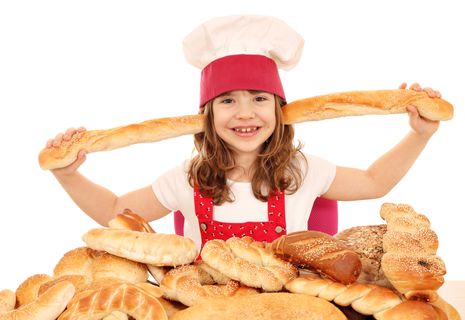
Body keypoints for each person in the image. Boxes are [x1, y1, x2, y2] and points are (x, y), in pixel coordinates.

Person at [45, 15, 441, 250]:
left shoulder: (301, 171)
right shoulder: (187, 177)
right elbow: (117, 212)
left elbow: (374, 182)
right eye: (228, 101)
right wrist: (68, 174)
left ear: (279, 109)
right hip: (204, 317)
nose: (245, 114)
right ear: (208, 114)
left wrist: (419, 134)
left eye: (258, 99)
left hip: (289, 318)